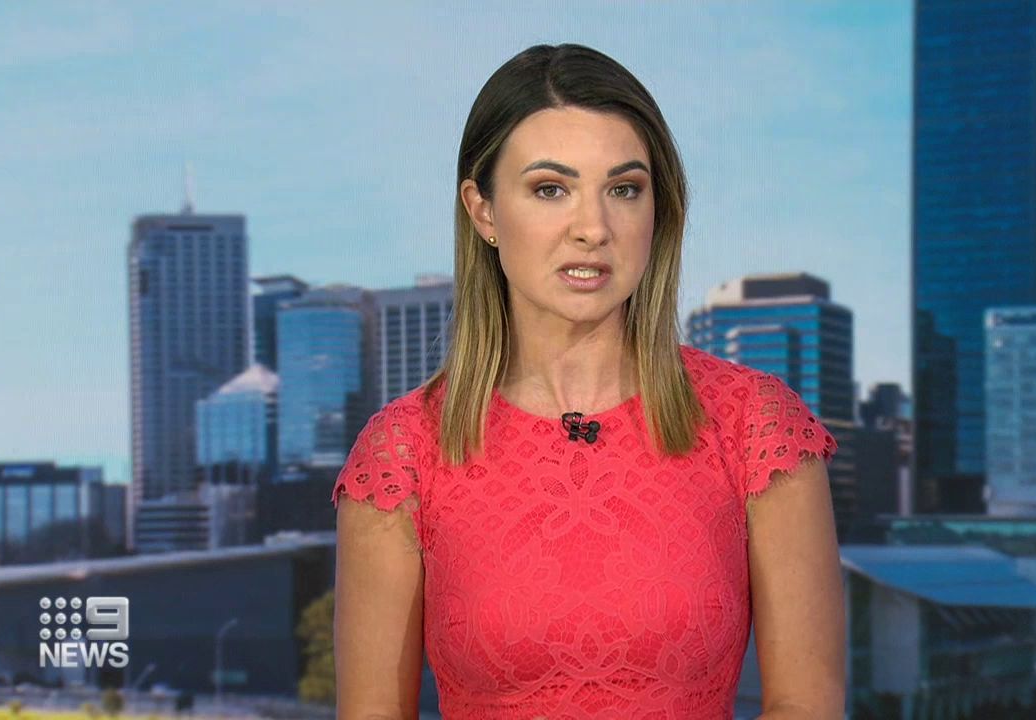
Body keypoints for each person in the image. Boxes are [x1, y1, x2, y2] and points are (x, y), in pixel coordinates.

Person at [331, 42, 843, 720]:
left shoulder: (756, 425)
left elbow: (806, 705)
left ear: (658, 210)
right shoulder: (403, 452)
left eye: (624, 190)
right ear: (484, 211)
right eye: (551, 189)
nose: (593, 229)